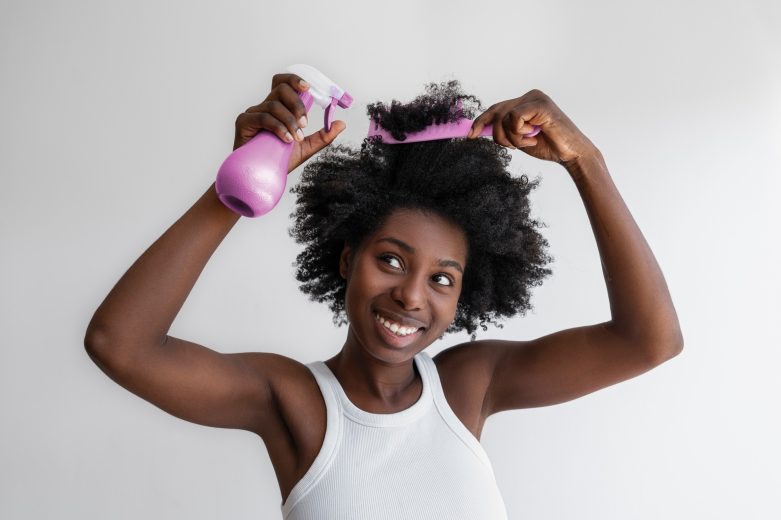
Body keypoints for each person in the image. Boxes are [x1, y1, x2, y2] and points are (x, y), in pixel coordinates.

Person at [84, 71, 683, 519]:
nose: (411, 297)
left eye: (442, 278)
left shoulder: (469, 385)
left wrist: (587, 163)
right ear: (348, 259)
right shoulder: (292, 401)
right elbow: (121, 344)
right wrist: (241, 183)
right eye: (391, 260)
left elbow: (649, 341)